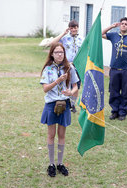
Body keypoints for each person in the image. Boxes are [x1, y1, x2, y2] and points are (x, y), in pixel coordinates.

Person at [40, 43, 79, 177]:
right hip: (51, 104)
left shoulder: (69, 68)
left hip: (65, 104)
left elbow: (76, 87)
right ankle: (51, 164)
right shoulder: (48, 69)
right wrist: (58, 81)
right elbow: (45, 88)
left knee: (62, 135)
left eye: (61, 52)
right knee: (51, 135)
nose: (59, 55)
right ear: (52, 54)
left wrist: (70, 92)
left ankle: (60, 163)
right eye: (56, 52)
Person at [102, 17, 127, 121]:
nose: (123, 25)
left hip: (126, 69)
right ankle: (114, 111)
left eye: (126, 24)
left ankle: (122, 112)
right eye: (122, 23)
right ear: (120, 25)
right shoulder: (114, 36)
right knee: (114, 91)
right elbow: (101, 33)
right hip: (114, 69)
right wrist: (112, 26)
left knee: (126, 92)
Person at [48, 20, 84, 113]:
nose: (74, 29)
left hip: (78, 66)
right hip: (66, 65)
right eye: (72, 28)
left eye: (75, 27)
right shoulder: (65, 38)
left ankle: (72, 104)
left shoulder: (82, 39)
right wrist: (63, 33)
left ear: (78, 28)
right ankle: (63, 101)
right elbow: (52, 43)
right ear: (69, 28)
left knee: (76, 85)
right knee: (65, 84)